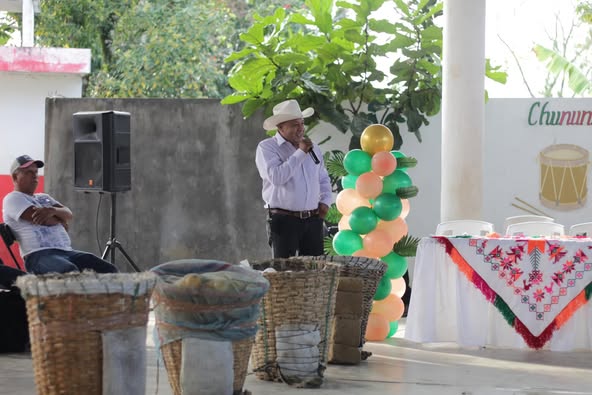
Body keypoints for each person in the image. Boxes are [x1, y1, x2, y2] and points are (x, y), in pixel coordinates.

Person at [2, 155, 118, 274]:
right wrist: (61, 219)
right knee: (69, 272)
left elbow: (69, 214)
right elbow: (42, 219)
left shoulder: (44, 197)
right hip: (39, 255)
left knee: (109, 270)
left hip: (67, 252)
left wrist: (53, 211)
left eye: (36, 172)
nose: (35, 175)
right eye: (28, 172)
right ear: (15, 177)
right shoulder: (12, 198)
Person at [255, 100, 332, 258]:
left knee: (315, 270)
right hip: (283, 220)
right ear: (280, 127)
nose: (301, 129)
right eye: (294, 125)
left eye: (302, 123)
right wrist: (300, 153)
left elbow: (323, 177)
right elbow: (277, 177)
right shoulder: (267, 147)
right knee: (284, 270)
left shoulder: (314, 148)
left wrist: (325, 201)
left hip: (313, 219)